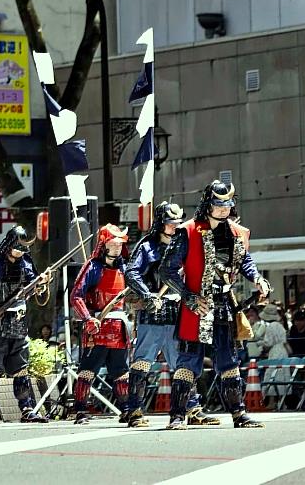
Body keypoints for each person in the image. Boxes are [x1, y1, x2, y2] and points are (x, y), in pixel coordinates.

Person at [160, 180, 270, 429]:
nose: (223, 209)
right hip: (196, 307)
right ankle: (178, 416)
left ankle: (239, 414)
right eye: (219, 204)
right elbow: (167, 271)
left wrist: (258, 279)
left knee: (229, 361)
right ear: (208, 204)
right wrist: (188, 297)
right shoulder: (187, 231)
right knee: (189, 362)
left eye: (227, 205)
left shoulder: (236, 232)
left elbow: (245, 262)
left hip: (225, 305)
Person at [124, 202, 220, 428]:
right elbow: (131, 272)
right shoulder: (147, 246)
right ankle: (134, 410)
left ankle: (193, 409)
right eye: (169, 224)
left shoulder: (184, 243)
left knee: (183, 363)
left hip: (179, 311)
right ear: (160, 224)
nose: (173, 228)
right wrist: (147, 294)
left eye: (177, 224)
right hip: (153, 311)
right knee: (143, 362)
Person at [0, 226, 50, 425]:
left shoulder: (26, 262)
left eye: (23, 249)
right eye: (17, 247)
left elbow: (35, 289)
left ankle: (26, 408)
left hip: (19, 321)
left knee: (21, 368)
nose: (19, 252)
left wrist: (41, 283)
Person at [70, 224, 132, 425]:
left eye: (119, 244)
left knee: (121, 371)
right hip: (97, 326)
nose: (117, 248)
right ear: (104, 244)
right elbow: (76, 296)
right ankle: (80, 410)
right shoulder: (92, 267)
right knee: (88, 370)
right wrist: (88, 318)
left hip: (119, 327)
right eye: (113, 244)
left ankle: (126, 410)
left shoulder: (124, 267)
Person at [260, 304, 290, 409]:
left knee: (272, 374)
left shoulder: (270, 327)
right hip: (283, 351)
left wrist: (261, 344)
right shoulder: (281, 326)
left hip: (274, 351)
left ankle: (271, 402)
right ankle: (282, 402)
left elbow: (268, 342)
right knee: (282, 375)